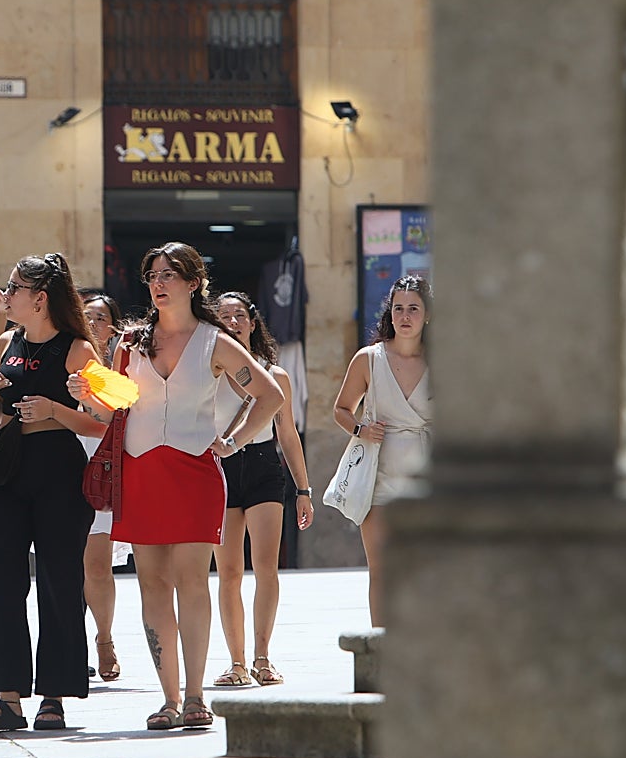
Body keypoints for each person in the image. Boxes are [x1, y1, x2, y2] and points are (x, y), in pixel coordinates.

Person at [68, 242, 283, 731]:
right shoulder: (131, 342)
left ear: (194, 282)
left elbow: (268, 396)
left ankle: (195, 695)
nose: (158, 283)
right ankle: (168, 699)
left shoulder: (215, 341)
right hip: (140, 472)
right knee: (152, 586)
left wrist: (232, 441)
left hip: (195, 474)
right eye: (152, 275)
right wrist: (86, 393)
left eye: (169, 274)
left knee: (192, 581)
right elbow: (109, 411)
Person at [0, 253, 103, 732]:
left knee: (59, 582)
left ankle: (54, 697)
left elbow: (107, 417)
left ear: (39, 299)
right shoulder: (6, 339)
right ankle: (6, 698)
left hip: (59, 471)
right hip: (6, 469)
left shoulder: (80, 350)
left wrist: (54, 410)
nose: (7, 294)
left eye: (14, 288)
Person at [211, 291, 314, 688]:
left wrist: (303, 489)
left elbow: (287, 435)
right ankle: (235, 662)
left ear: (253, 324)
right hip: (220, 465)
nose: (233, 322)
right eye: (223, 316)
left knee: (266, 565)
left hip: (262, 467)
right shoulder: (209, 371)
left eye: (239, 315)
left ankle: (262, 656)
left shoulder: (277, 375)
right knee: (229, 572)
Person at [332, 274, 432, 627]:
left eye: (414, 309)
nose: (405, 316)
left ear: (428, 315)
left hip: (427, 474)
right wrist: (361, 428)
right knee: (380, 567)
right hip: (378, 471)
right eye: (398, 308)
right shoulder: (368, 359)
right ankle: (382, 646)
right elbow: (341, 409)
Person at [79, 291, 129, 682]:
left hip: (105, 473)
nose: (92, 324)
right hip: (63, 469)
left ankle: (104, 640)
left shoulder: (120, 371)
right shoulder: (66, 361)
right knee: (65, 568)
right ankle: (71, 645)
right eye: (86, 318)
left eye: (99, 318)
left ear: (112, 328)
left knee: (96, 567)